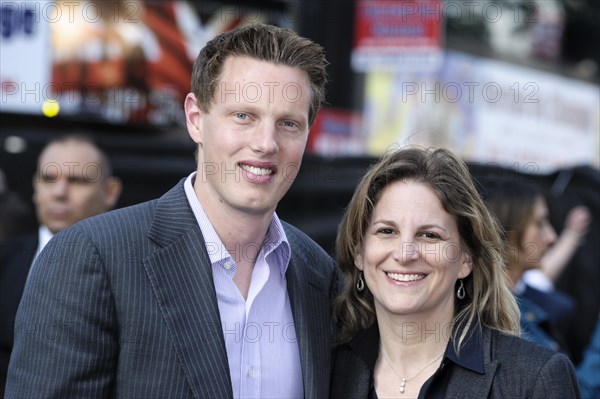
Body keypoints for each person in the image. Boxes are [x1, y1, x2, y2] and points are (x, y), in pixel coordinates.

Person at [6, 24, 337, 399]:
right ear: (195, 118)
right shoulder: (92, 257)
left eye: (288, 123)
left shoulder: (318, 274)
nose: (266, 143)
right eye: (243, 116)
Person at [330, 147, 579, 398]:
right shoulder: (328, 370)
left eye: (430, 235)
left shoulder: (533, 378)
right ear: (358, 252)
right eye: (387, 231)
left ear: (466, 259)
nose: (405, 254)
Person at [1, 134, 122, 396]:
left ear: (110, 191)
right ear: (35, 187)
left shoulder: (133, 268)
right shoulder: (4, 260)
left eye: (77, 180)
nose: (59, 192)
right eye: (48, 179)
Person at [485, 181, 574, 353]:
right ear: (505, 230)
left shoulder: (535, 307)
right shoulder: (478, 312)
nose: (551, 237)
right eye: (539, 224)